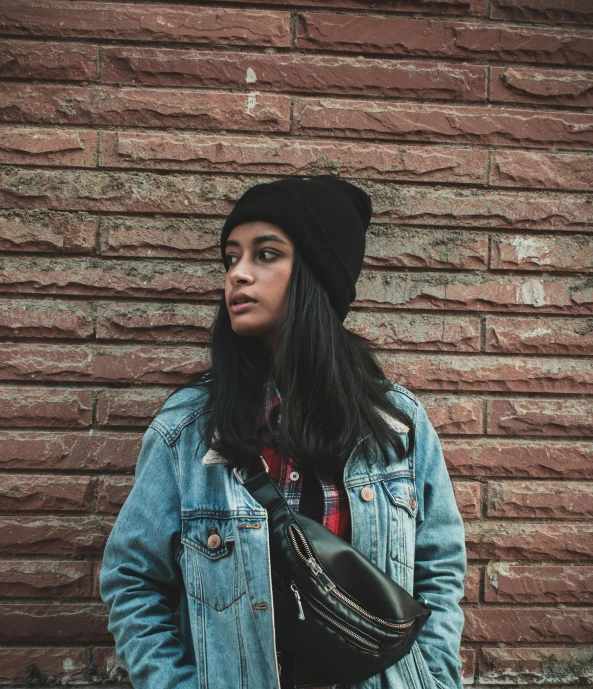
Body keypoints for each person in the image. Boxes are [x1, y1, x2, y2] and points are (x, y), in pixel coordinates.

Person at [100, 175, 467, 689]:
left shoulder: (396, 425)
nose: (237, 276)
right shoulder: (187, 430)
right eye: (231, 258)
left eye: (265, 254)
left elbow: (440, 568)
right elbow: (132, 581)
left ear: (316, 275)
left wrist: (434, 679)